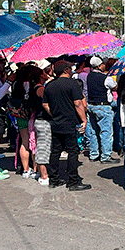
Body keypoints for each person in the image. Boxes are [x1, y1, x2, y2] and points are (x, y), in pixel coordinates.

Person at [43, 60, 91, 191]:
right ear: (65, 70)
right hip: (70, 122)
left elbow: (45, 104)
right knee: (73, 151)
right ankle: (73, 180)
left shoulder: (49, 85)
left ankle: (54, 178)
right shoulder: (72, 84)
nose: (72, 70)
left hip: (56, 122)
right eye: (70, 68)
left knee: (55, 151)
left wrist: (54, 114)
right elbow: (78, 103)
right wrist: (84, 119)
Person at [85, 56, 120, 164]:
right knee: (106, 132)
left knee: (94, 131)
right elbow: (115, 87)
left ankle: (94, 154)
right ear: (100, 66)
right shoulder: (106, 78)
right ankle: (105, 156)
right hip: (103, 106)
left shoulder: (89, 76)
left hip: (91, 105)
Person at [30, 67, 51, 186]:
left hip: (39, 119)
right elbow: (48, 101)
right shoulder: (40, 89)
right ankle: (44, 175)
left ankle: (40, 171)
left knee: (41, 145)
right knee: (43, 147)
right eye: (43, 73)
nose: (46, 73)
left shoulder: (38, 87)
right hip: (42, 120)